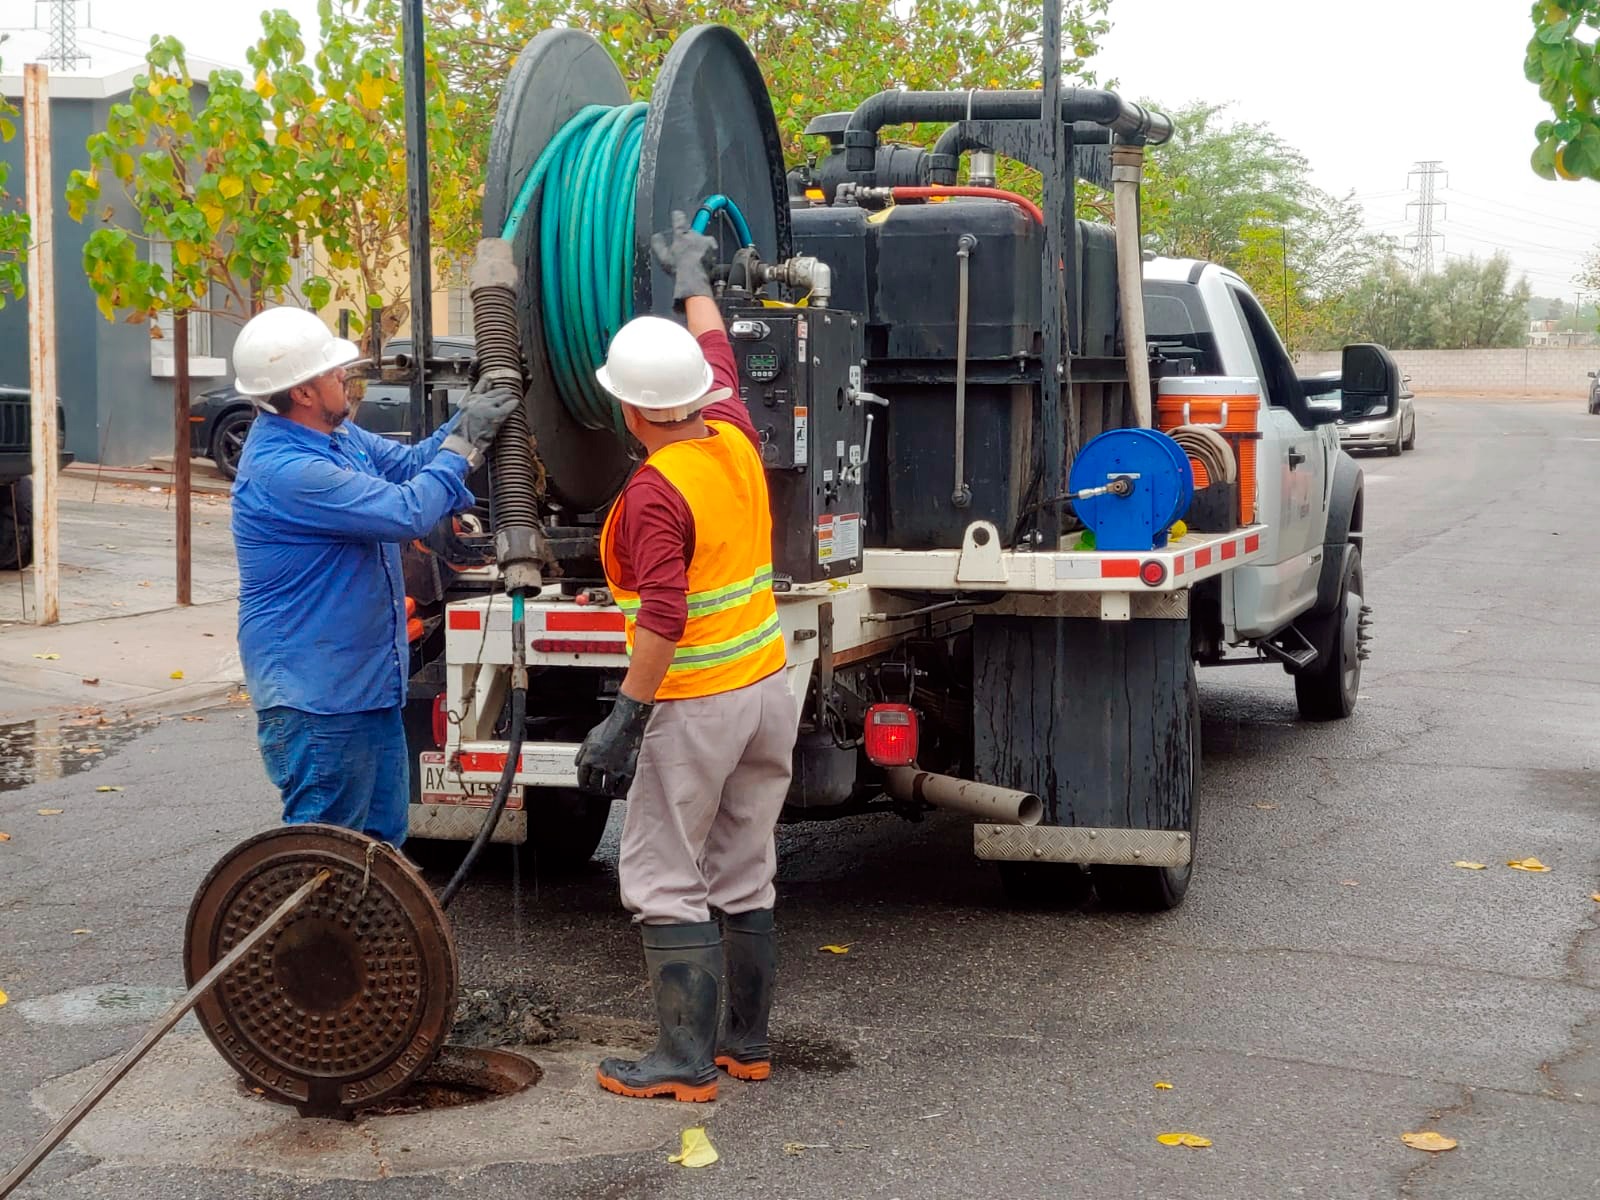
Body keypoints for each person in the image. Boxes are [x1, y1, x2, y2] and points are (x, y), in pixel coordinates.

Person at [578, 213, 797, 1103]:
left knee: (664, 873)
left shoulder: (653, 493)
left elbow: (663, 617)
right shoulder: (732, 435)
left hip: (699, 699)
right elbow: (720, 354)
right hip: (767, 687)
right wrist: (693, 277)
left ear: (628, 411)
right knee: (744, 862)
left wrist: (623, 720)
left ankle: (681, 1062)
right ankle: (746, 1044)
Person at [230, 306, 519, 847]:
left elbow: (413, 466)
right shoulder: (288, 471)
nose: (345, 373)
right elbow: (406, 511)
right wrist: (462, 448)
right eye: (331, 369)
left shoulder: (338, 438)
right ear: (303, 392)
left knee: (381, 847)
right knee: (330, 853)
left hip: (365, 688)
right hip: (317, 701)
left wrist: (468, 419)